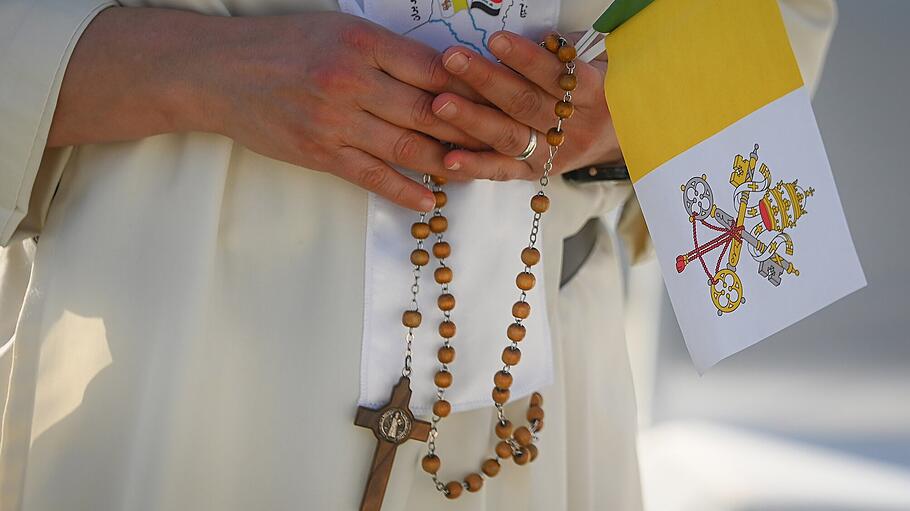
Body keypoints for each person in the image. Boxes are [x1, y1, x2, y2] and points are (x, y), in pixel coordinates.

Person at [0, 1, 835, 509]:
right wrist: (199, 69)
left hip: (536, 383)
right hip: (168, 349)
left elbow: (777, 15)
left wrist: (625, 111)